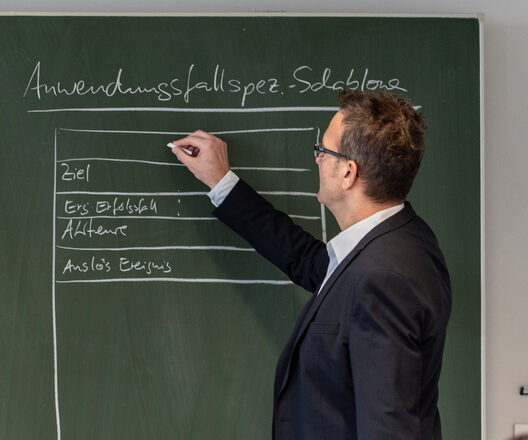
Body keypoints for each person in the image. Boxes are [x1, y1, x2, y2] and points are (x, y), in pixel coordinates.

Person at [169, 90, 452, 440]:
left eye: (323, 150)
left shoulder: (381, 278)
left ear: (348, 172)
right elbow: (308, 261)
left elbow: (388, 428)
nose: (317, 159)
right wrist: (222, 182)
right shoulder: (399, 240)